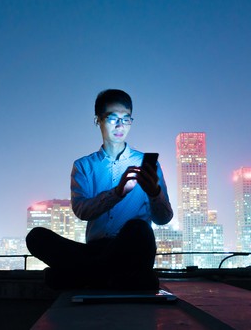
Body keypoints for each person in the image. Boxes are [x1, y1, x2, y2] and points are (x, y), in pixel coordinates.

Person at [26, 89, 173, 290]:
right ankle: (112, 278)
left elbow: (164, 218)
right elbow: (82, 211)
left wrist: (154, 192)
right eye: (113, 118)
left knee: (138, 228)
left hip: (132, 248)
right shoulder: (84, 166)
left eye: (126, 119)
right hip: (95, 250)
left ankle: (82, 277)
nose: (120, 125)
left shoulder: (147, 165)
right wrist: (117, 192)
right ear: (98, 120)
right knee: (36, 237)